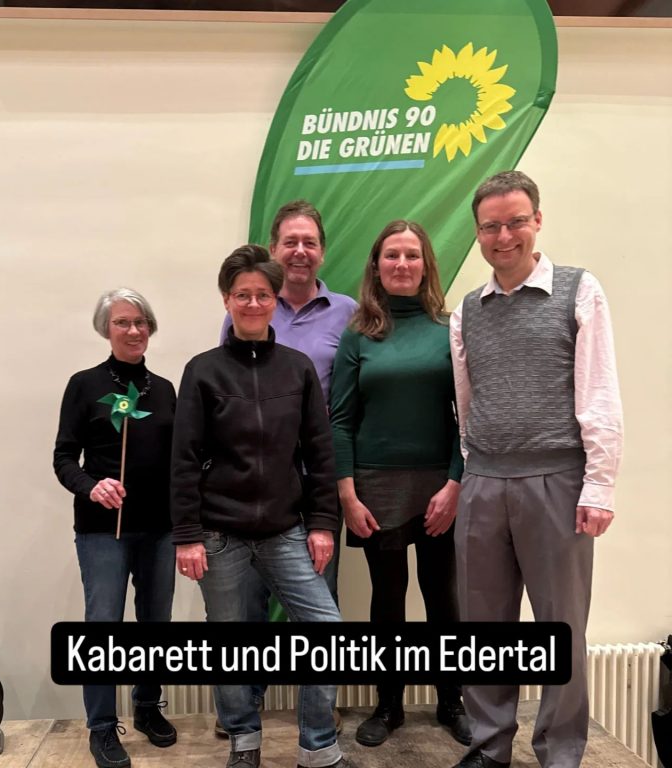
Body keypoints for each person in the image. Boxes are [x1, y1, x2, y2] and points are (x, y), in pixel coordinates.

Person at [449, 170, 623, 768]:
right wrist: (475, 469)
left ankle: (560, 752)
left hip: (558, 481)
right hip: (485, 482)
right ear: (477, 233)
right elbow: (466, 398)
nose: (504, 236)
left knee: (560, 628)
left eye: (516, 221)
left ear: (537, 220)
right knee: (484, 629)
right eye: (491, 226)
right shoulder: (467, 310)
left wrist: (599, 484)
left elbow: (599, 392)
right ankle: (489, 746)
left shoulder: (579, 290)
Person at [172, 245, 356, 768]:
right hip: (219, 534)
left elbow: (320, 454)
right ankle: (244, 742)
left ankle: (317, 747)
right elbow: (183, 459)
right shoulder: (202, 371)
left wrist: (322, 524)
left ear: (275, 300)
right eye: (242, 295)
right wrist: (186, 535)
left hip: (284, 530)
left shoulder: (296, 369)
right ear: (227, 301)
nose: (253, 303)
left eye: (263, 294)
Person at [330, 220, 471, 748]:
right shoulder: (358, 335)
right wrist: (347, 493)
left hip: (439, 484)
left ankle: (451, 702)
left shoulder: (450, 330)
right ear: (377, 265)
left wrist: (455, 482)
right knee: (388, 598)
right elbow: (339, 420)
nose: (402, 264)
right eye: (392, 255)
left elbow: (466, 417)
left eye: (412, 255)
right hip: (373, 486)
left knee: (442, 596)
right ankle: (388, 706)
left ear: (426, 264)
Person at [53, 288, 177, 768]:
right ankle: (102, 728)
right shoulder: (84, 385)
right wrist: (91, 486)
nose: (134, 330)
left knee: (155, 625)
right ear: (107, 329)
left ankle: (147, 708)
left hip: (160, 529)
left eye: (141, 322)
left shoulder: (164, 389)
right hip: (104, 530)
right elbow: (64, 458)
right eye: (123, 322)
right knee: (104, 628)